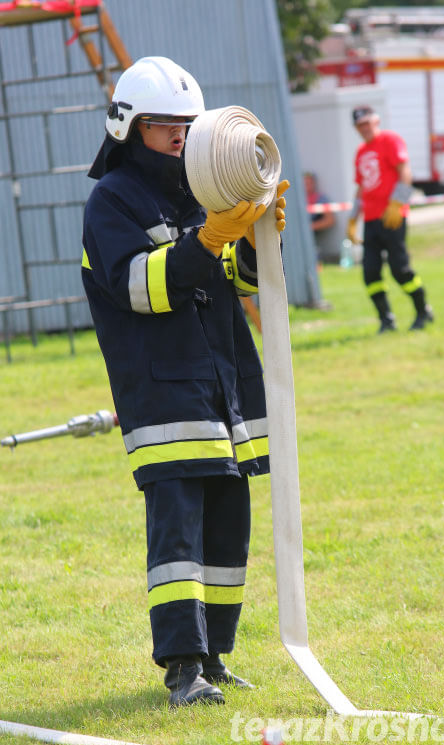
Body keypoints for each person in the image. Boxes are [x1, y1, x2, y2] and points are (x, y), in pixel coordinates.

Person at [81, 56, 288, 707]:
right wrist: (207, 241)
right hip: (164, 396)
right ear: (129, 129)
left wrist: (257, 241)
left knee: (228, 529)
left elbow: (246, 286)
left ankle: (217, 656)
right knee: (177, 537)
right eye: (164, 126)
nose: (179, 137)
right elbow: (140, 286)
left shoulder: (205, 191)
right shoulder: (111, 202)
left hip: (221, 391)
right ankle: (183, 667)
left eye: (187, 126)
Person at [347, 105, 434, 333]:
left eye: (367, 123)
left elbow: (405, 172)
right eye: (359, 125)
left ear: (375, 121)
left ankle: (423, 310)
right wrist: (352, 219)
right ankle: (386, 320)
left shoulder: (390, 140)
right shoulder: (360, 151)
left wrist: (398, 203)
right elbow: (361, 186)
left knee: (400, 270)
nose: (364, 128)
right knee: (370, 273)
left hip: (393, 217)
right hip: (371, 220)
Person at [304, 172, 335, 265]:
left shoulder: (321, 199)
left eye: (309, 183)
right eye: (305, 183)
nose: (307, 186)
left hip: (313, 233)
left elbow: (330, 220)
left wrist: (310, 227)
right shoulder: (296, 199)